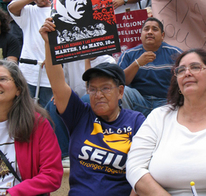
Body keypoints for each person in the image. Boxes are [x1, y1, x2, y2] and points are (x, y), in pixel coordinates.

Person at [39, 17, 145, 196]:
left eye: (105, 88)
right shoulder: (80, 114)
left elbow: (143, 171)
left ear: (120, 92)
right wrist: (51, 44)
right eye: (92, 89)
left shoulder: (136, 120)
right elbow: (57, 83)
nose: (98, 95)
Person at [126, 48, 206, 195]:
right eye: (181, 70)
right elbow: (134, 167)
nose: (187, 73)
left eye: (195, 67)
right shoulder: (159, 117)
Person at [0, 59, 63, 195]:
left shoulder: (38, 124)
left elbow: (52, 175)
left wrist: (14, 193)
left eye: (3, 79)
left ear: (18, 89)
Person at [118, 17, 182, 117]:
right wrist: (137, 63)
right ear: (141, 35)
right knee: (122, 90)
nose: (150, 32)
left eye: (155, 29)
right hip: (139, 102)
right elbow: (120, 82)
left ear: (162, 35)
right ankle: (128, 124)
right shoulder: (128, 54)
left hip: (167, 103)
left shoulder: (175, 53)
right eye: (146, 29)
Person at [8, 0, 53, 107]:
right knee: (25, 113)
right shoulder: (28, 11)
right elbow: (11, 7)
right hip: (28, 73)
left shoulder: (57, 11)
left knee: (48, 115)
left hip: (49, 76)